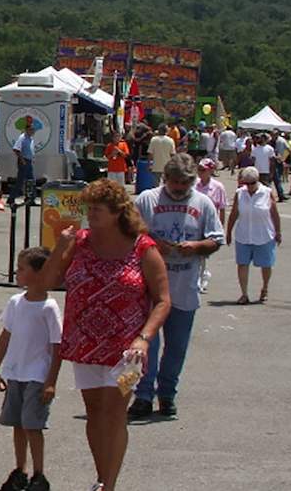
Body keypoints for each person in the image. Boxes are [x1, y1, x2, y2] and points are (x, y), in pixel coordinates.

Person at [36, 178, 171, 491]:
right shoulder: (79, 242)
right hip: (84, 344)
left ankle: (107, 485)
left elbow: (163, 300)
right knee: (95, 413)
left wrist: (145, 337)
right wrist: (60, 248)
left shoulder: (143, 247)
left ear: (116, 212)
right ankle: (101, 477)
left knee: (114, 412)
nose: (90, 214)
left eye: (97, 209)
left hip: (128, 350)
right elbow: (44, 283)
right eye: (89, 208)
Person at [130, 155, 224, 420]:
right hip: (151, 288)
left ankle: (167, 394)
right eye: (175, 182)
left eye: (185, 183)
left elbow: (216, 239)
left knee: (176, 346)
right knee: (147, 343)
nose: (180, 188)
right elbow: (130, 234)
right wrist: (150, 244)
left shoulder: (202, 203)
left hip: (185, 286)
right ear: (166, 179)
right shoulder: (147, 200)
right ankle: (144, 395)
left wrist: (196, 247)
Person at [0, 247, 62, 491]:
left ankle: (39, 474)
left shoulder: (49, 307)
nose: (17, 273)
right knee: (18, 424)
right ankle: (20, 469)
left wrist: (51, 380)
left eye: (22, 269)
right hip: (15, 373)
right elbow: (5, 335)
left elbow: (57, 346)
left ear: (39, 273)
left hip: (37, 375)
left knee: (33, 425)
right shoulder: (15, 302)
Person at [226, 167, 281, 305]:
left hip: (263, 235)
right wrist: (228, 232)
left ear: (258, 181)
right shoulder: (240, 193)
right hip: (243, 235)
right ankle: (244, 294)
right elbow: (234, 214)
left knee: (266, 265)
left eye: (252, 183)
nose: (249, 186)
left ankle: (265, 288)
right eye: (247, 183)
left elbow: (274, 214)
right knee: (242, 264)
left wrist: (278, 231)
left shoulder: (267, 192)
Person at [194, 159, 228, 294]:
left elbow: (222, 207)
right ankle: (198, 279)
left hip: (209, 223)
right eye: (199, 169)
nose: (200, 172)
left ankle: (202, 278)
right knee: (197, 254)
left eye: (203, 170)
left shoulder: (218, 187)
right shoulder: (194, 185)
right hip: (195, 222)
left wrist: (221, 227)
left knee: (204, 254)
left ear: (210, 171)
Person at [12, 121, 36, 202]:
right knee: (20, 181)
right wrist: (22, 160)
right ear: (27, 130)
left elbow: (30, 150)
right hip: (23, 161)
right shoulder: (22, 138)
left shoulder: (31, 139)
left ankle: (31, 198)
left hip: (29, 161)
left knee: (31, 180)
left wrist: (32, 159)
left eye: (33, 129)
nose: (33, 131)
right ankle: (11, 198)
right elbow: (16, 149)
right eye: (31, 129)